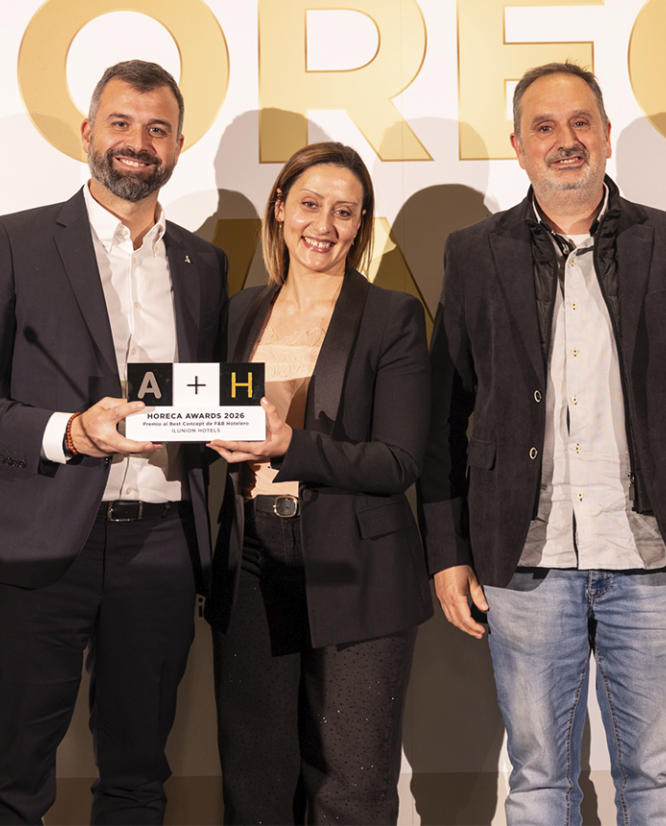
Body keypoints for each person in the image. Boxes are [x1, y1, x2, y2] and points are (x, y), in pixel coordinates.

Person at [420, 61, 666, 824]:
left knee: (658, 779)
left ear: (602, 135)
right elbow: (445, 412)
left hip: (653, 556)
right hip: (522, 558)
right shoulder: (474, 253)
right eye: (543, 127)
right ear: (517, 145)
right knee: (536, 778)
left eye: (578, 124)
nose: (564, 142)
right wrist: (446, 550)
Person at [0, 60, 228, 824]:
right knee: (10, 771)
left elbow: (205, 400)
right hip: (36, 549)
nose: (137, 142)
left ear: (179, 145)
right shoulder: (10, 244)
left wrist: (237, 430)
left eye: (157, 129)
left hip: (159, 546)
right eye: (121, 123)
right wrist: (67, 432)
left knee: (137, 772)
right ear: (88, 132)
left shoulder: (203, 264)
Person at [205, 141, 432, 825]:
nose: (323, 225)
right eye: (308, 204)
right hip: (250, 555)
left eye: (344, 211)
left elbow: (397, 462)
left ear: (361, 225)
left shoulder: (390, 316)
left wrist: (289, 445)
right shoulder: (239, 311)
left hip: (355, 563)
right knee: (255, 776)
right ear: (279, 209)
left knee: (350, 785)